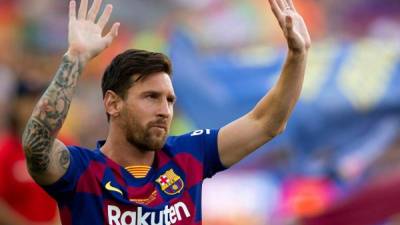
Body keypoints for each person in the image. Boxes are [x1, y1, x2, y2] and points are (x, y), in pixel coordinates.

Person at [21, 0, 310, 224]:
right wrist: (76, 57)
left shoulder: (189, 155)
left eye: (170, 100)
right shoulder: (81, 171)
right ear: (112, 103)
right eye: (151, 97)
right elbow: (37, 146)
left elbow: (266, 122)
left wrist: (298, 56)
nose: (164, 110)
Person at [0, 82, 60, 225]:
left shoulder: (63, 147)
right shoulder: (5, 152)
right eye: (28, 101)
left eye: (39, 101)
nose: (35, 108)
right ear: (15, 106)